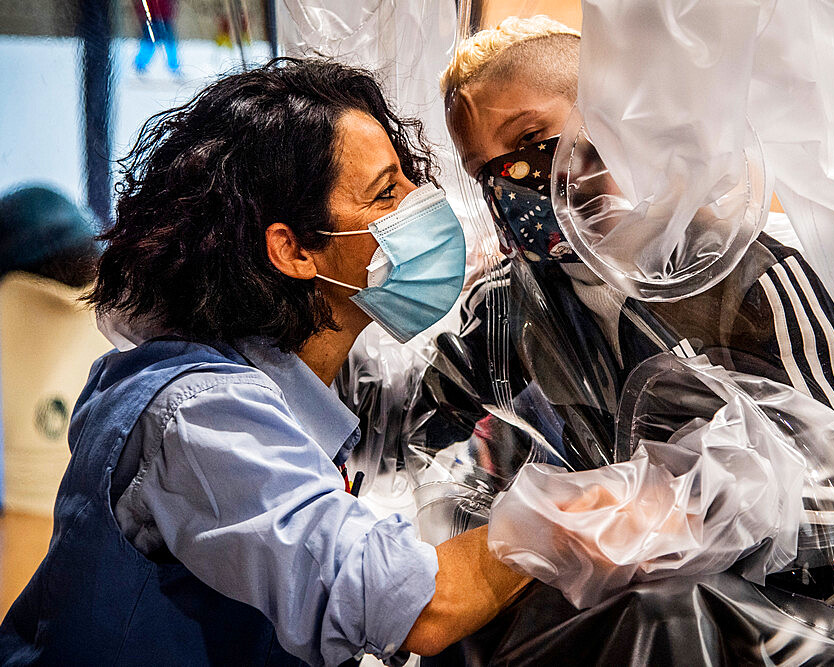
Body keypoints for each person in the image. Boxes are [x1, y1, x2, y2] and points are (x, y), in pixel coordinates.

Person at [0, 58, 528, 666]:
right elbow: (412, 605)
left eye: (410, 179)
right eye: (387, 193)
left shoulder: (302, 381)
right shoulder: (200, 416)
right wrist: (570, 523)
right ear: (294, 249)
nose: (424, 204)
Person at [430, 16, 834, 614]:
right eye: (484, 170)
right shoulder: (502, 311)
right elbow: (439, 467)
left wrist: (684, 509)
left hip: (791, 637)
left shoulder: (751, 278)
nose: (513, 181)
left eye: (531, 138)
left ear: (608, 119)